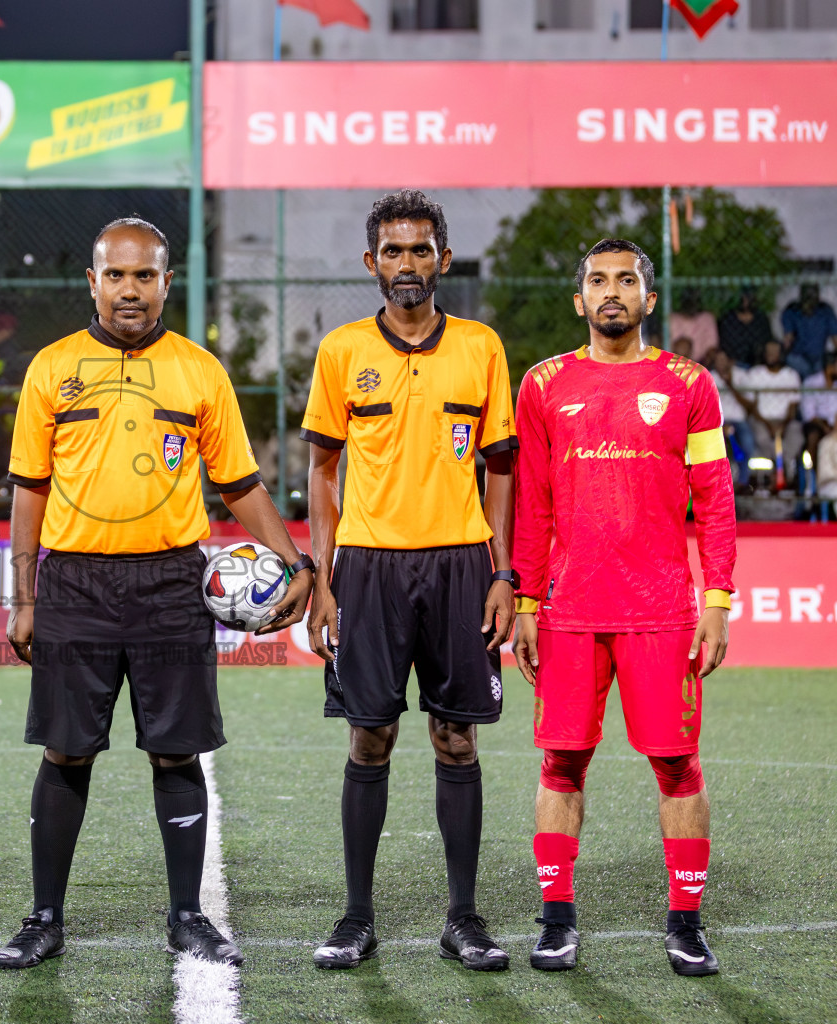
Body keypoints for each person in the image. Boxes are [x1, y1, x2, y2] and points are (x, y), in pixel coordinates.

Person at [0, 217, 313, 970]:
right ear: (92, 282)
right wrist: (25, 595)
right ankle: (44, 917)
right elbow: (28, 491)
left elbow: (240, 484)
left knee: (176, 753)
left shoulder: (199, 371)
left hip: (172, 581)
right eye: (116, 275)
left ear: (167, 282)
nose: (130, 289)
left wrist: (296, 561)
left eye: (145, 275)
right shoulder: (52, 368)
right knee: (67, 751)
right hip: (74, 581)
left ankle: (187, 915)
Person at [302, 190, 518, 972]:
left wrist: (505, 573)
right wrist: (322, 577)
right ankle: (357, 916)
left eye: (421, 250)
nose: (407, 265)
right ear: (371, 264)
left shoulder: (482, 348)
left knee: (455, 738)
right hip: (368, 566)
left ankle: (463, 917)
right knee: (372, 735)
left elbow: (501, 470)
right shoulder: (342, 352)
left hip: (462, 565)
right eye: (392, 252)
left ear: (444, 259)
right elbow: (322, 471)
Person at [512, 238, 736, 977]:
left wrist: (717, 598)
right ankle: (556, 922)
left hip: (664, 610)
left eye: (628, 280)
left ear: (648, 298)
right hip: (571, 611)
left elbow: (716, 497)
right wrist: (527, 601)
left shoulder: (688, 383)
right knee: (562, 762)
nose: (614, 291)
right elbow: (534, 505)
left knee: (677, 766)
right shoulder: (543, 384)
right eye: (599, 281)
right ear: (580, 301)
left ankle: (686, 923)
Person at [740, 338, 803, 483]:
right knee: (762, 437)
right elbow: (752, 407)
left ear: (781, 354)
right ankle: (772, 473)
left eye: (774, 352)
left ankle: (785, 473)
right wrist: (768, 424)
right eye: (768, 352)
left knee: (796, 437)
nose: (770, 355)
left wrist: (783, 425)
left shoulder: (791, 375)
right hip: (761, 419)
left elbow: (793, 407)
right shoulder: (755, 374)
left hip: (785, 419)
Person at [706, 348, 754, 486]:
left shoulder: (742, 376)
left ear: (730, 361)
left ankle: (743, 483)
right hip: (717, 422)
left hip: (739, 420)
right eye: (718, 360)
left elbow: (749, 405)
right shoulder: (709, 376)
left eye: (723, 360)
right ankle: (718, 486)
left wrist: (730, 385)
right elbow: (706, 405)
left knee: (747, 443)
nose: (721, 363)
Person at [799, 351, 837, 462]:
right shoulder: (811, 383)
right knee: (813, 436)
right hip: (818, 423)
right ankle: (813, 473)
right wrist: (825, 427)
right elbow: (809, 415)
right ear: (830, 368)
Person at [780, 283, 837, 379]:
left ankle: (813, 385)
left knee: (821, 367)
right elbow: (788, 337)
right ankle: (809, 383)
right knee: (793, 361)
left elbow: (835, 338)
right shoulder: (792, 311)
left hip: (819, 356)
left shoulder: (825, 311)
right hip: (798, 355)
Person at [716, 287, 773, 369]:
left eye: (748, 297)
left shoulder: (761, 319)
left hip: (758, 366)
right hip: (732, 365)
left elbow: (766, 342)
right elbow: (722, 345)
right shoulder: (728, 319)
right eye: (743, 297)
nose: (745, 300)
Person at [669, 288, 717, 363]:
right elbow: (671, 347)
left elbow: (712, 347)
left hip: (702, 362)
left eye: (694, 301)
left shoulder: (707, 318)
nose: (690, 304)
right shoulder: (673, 319)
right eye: (688, 301)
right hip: (677, 361)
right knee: (683, 344)